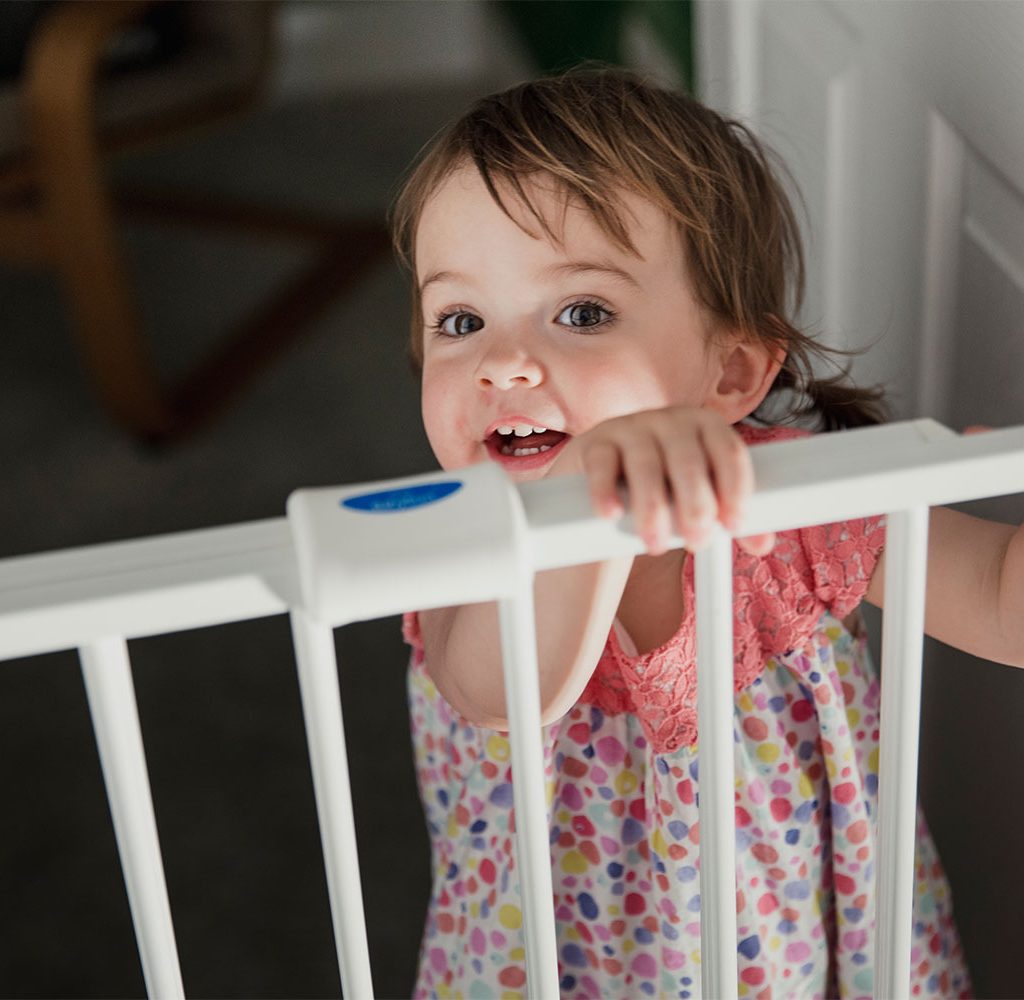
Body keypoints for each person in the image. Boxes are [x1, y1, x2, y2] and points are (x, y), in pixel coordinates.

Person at [390, 66, 1023, 998]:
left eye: (582, 312)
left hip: (784, 955)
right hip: (554, 967)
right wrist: (582, 490)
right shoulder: (458, 532)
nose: (503, 362)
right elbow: (499, 692)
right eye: (460, 319)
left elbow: (1003, 601)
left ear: (730, 374)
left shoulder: (793, 506)